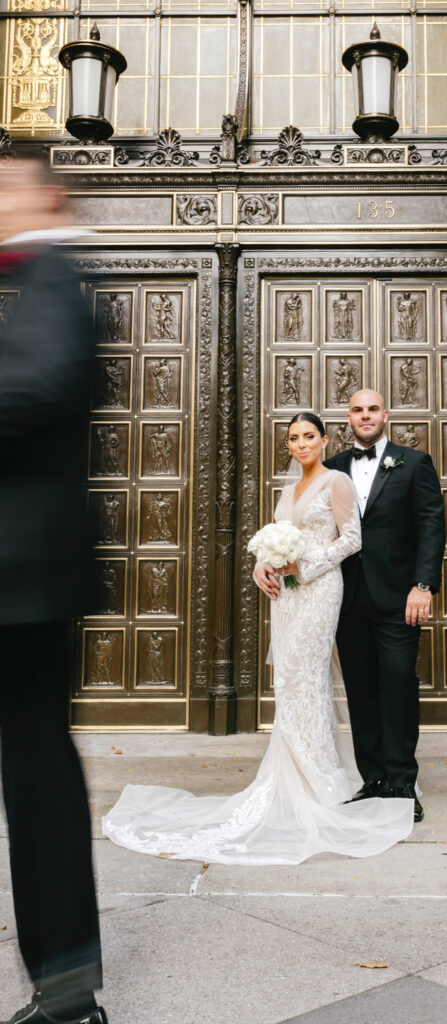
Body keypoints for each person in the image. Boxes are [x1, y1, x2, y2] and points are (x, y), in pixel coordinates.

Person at [103, 412, 414, 864]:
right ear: (287, 445)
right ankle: (288, 779)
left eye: (310, 436)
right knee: (286, 680)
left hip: (320, 589)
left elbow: (351, 540)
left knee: (306, 676)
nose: (302, 443)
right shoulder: (287, 491)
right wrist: (260, 566)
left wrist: (304, 568)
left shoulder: (336, 483)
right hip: (285, 597)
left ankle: (320, 781)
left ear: (325, 440)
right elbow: (272, 541)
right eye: (294, 438)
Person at [0, 158, 106, 1023]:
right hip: (22, 575)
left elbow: (34, 389)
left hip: (23, 578)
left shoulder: (56, 276)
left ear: (42, 196)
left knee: (37, 774)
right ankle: (65, 980)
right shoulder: (37, 281)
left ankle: (68, 990)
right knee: (35, 770)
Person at [278, 390, 443, 823]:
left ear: (384, 415)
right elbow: (301, 529)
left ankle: (402, 783)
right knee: (362, 690)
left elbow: (431, 527)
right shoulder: (330, 469)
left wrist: (423, 586)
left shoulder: (414, 463)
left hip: (398, 597)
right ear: (347, 421)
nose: (365, 415)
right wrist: (270, 560)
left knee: (397, 683)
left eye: (372, 409)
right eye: (357, 410)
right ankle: (373, 780)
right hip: (344, 599)